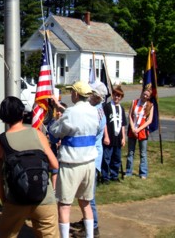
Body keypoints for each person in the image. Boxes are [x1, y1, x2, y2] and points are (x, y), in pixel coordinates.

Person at [0, 96, 59, 237]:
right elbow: (54, 164)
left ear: (3, 116)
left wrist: (5, 200)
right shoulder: (37, 134)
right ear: (22, 113)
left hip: (17, 198)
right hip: (44, 197)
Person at [49, 81, 99, 238]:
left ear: (76, 94)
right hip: (89, 163)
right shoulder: (94, 111)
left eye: (72, 92)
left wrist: (54, 120)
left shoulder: (71, 112)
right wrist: (60, 108)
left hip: (71, 164)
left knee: (64, 205)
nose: (71, 94)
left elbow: (56, 131)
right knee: (86, 202)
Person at [71, 81, 107, 238]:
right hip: (90, 155)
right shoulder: (93, 110)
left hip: (93, 157)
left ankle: (93, 226)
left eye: (91, 93)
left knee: (88, 196)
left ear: (97, 97)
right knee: (84, 195)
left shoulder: (96, 113)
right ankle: (87, 220)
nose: (88, 95)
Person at [126, 88, 154, 179]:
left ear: (149, 97)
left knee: (143, 153)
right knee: (130, 152)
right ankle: (128, 171)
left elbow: (149, 121)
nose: (144, 96)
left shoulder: (150, 105)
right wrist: (133, 128)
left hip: (142, 131)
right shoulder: (134, 102)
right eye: (144, 94)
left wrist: (139, 129)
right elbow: (130, 115)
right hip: (132, 130)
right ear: (141, 93)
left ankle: (143, 173)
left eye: (147, 95)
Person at [101, 85, 127, 183]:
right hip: (109, 137)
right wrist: (106, 136)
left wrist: (123, 138)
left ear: (121, 97)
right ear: (112, 95)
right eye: (115, 95)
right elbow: (104, 123)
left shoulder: (121, 109)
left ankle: (114, 175)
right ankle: (105, 177)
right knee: (107, 158)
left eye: (119, 96)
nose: (117, 97)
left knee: (117, 158)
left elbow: (123, 124)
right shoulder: (107, 107)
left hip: (118, 138)